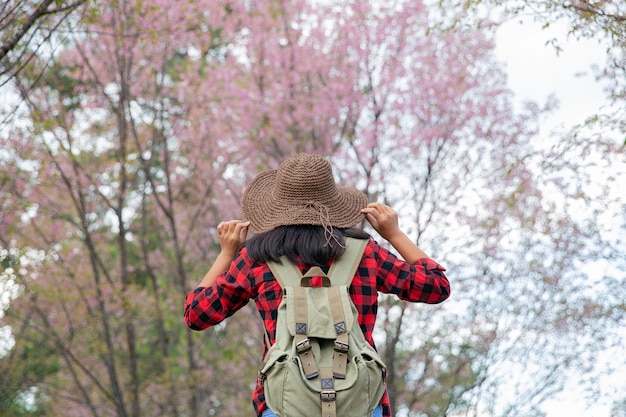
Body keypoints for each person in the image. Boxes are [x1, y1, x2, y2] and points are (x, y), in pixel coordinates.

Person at [184, 153, 451, 417]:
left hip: (284, 405)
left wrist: (226, 254)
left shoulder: (257, 259)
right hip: (360, 403)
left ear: (277, 206)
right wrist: (394, 234)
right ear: (334, 203)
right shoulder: (364, 253)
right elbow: (437, 286)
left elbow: (196, 314)